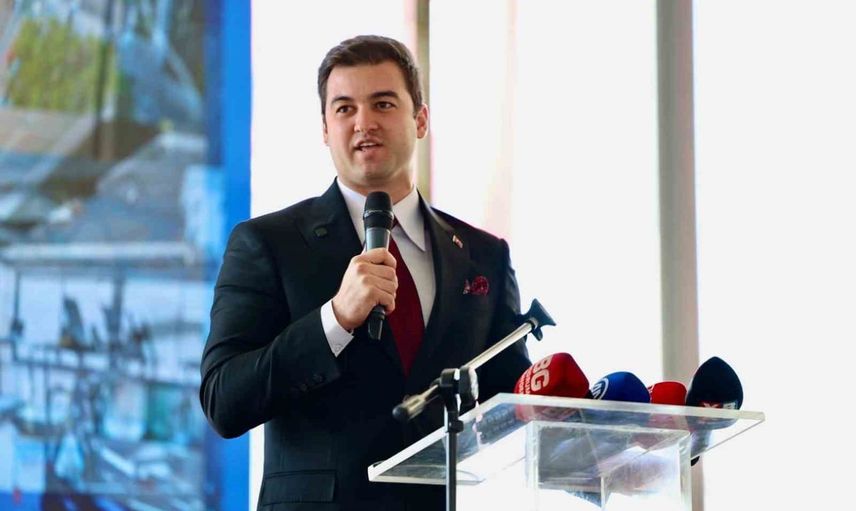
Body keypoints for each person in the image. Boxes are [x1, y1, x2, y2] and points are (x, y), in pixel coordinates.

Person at [200, 34, 531, 511]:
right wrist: (335, 319)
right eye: (344, 109)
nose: (364, 123)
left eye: (383, 104)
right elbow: (224, 401)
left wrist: (587, 421)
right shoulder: (268, 243)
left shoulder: (484, 255)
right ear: (324, 128)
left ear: (420, 119)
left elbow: (512, 399)